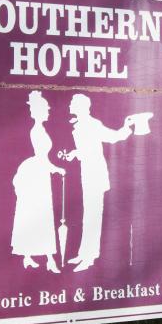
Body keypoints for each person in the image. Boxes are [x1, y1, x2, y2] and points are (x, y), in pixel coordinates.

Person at [59, 94, 132, 272]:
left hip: (95, 175)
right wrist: (74, 154)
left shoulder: (92, 124)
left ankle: (90, 257)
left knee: (93, 216)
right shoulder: (80, 125)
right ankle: (85, 253)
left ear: (82, 107)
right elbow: (86, 148)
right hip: (87, 173)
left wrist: (127, 128)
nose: (69, 106)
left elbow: (113, 137)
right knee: (88, 215)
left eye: (72, 103)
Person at [9, 91, 65, 273]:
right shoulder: (37, 130)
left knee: (38, 213)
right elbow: (42, 157)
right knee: (38, 214)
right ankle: (46, 259)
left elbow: (43, 158)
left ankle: (33, 257)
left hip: (39, 171)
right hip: (37, 173)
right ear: (39, 111)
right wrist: (55, 168)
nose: (49, 109)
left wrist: (54, 168)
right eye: (46, 108)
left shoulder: (40, 129)